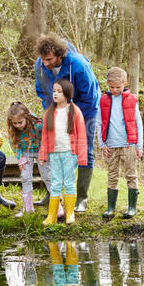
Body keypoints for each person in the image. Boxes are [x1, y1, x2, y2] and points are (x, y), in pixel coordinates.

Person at [35, 32, 100, 213]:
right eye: (43, 59)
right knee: (53, 147)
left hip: (85, 110)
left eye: (49, 59)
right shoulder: (40, 66)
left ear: (59, 54)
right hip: (56, 109)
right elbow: (41, 91)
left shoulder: (78, 65)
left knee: (83, 149)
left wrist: (73, 116)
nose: (45, 63)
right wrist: (53, 112)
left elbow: (89, 96)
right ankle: (52, 194)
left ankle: (81, 198)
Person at [96, 67, 143, 219]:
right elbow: (99, 123)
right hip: (111, 145)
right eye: (112, 87)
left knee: (131, 174)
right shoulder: (103, 100)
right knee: (112, 175)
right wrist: (102, 144)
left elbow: (138, 123)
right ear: (107, 84)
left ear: (125, 84)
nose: (115, 90)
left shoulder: (131, 100)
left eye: (118, 87)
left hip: (129, 144)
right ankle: (111, 208)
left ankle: (132, 207)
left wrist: (139, 145)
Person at [39, 79, 87, 225]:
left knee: (69, 182)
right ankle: (51, 216)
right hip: (54, 153)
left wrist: (82, 156)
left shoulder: (75, 111)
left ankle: (70, 214)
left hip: (69, 153)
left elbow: (82, 135)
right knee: (55, 183)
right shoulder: (49, 113)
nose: (55, 94)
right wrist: (43, 154)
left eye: (59, 91)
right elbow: (45, 137)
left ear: (67, 94)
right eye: (54, 91)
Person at [7, 101, 53, 217]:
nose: (18, 125)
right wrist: (20, 157)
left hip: (41, 152)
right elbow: (13, 143)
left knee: (47, 176)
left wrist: (45, 153)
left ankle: (57, 206)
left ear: (26, 117)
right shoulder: (13, 127)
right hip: (25, 153)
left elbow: (48, 138)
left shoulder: (38, 125)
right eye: (15, 123)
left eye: (20, 122)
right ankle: (28, 208)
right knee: (25, 177)